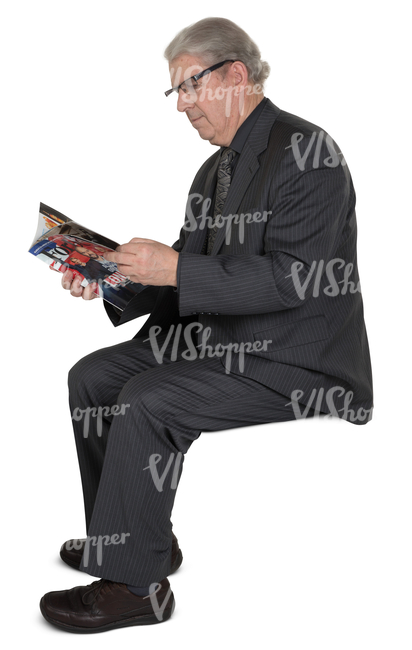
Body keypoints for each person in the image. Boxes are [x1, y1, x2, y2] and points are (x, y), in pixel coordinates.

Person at [39, 17, 373, 633]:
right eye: (177, 92)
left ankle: (133, 587)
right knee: (92, 377)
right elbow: (187, 265)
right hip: (222, 341)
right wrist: (109, 276)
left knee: (148, 399)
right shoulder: (212, 171)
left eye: (189, 85)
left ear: (237, 75)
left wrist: (175, 268)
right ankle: (133, 538)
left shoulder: (309, 153)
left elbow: (295, 277)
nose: (183, 105)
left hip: (296, 359)